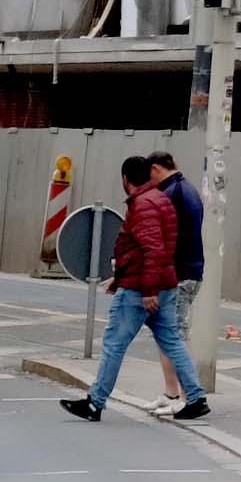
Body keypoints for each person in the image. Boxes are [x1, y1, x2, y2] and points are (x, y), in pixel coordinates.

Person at [60, 156, 206, 424]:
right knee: (172, 340)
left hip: (142, 288)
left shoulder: (144, 204)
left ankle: (95, 403)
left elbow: (152, 249)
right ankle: (196, 398)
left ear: (125, 179)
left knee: (114, 345)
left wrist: (147, 289)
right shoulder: (161, 198)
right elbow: (156, 247)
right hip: (164, 283)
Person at [149, 152, 205, 405]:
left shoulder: (171, 194)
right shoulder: (187, 189)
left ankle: (185, 396)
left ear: (156, 169)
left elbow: (165, 239)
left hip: (180, 273)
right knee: (169, 333)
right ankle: (173, 393)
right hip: (189, 271)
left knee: (175, 336)